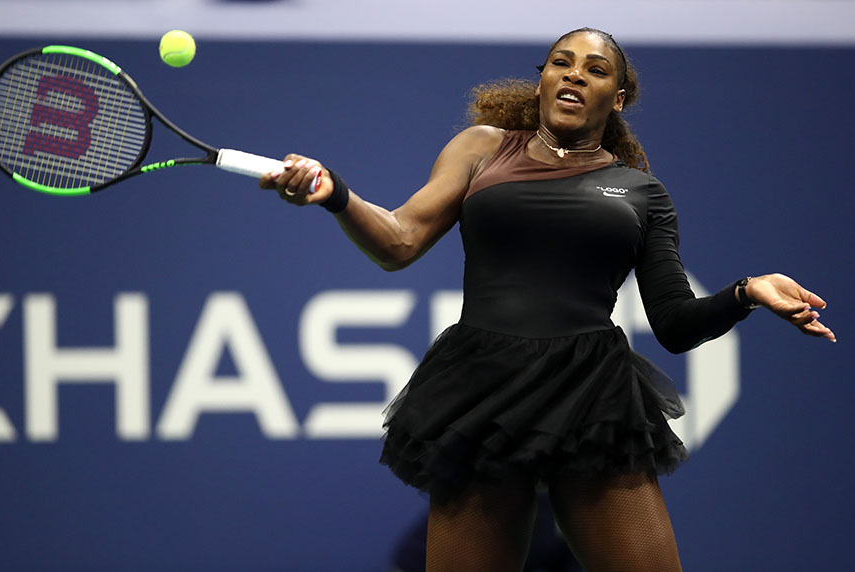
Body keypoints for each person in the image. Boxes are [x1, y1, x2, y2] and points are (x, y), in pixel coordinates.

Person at [260, 28, 836, 572]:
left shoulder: (642, 192)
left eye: (596, 69)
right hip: (482, 394)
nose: (575, 75)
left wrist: (746, 293)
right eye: (561, 62)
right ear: (541, 80)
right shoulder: (481, 149)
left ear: (618, 97)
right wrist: (335, 193)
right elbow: (399, 241)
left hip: (593, 399)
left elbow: (676, 325)